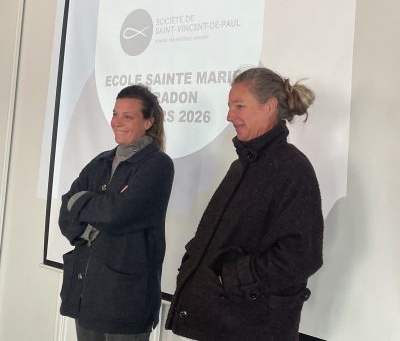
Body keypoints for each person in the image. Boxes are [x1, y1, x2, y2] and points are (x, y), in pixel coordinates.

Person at [166, 67, 323, 341]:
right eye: (230, 107)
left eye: (239, 106)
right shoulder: (241, 166)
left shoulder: (293, 168)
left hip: (252, 328)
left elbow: (302, 256)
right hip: (219, 322)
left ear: (269, 106)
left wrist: (232, 278)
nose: (230, 116)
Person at [58, 85, 174, 341]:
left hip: (125, 302)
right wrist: (92, 221)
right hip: (85, 294)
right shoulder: (100, 161)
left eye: (127, 116)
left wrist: (85, 205)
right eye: (115, 114)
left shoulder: (158, 165)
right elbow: (66, 212)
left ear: (149, 122)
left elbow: (118, 214)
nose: (117, 122)